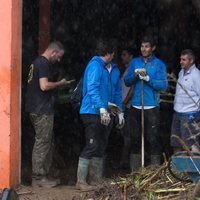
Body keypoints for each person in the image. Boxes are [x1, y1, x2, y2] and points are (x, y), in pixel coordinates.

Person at [76, 40, 125, 191]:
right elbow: (92, 89)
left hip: (107, 112)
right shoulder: (95, 66)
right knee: (92, 145)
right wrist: (101, 108)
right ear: (111, 54)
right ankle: (81, 182)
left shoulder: (114, 70)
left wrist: (120, 111)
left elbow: (117, 92)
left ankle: (96, 180)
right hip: (91, 112)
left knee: (101, 145)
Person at [25, 41, 72, 187]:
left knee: (46, 141)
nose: (58, 60)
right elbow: (44, 86)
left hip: (35, 108)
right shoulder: (43, 63)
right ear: (53, 52)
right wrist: (60, 83)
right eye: (58, 56)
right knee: (42, 143)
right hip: (41, 110)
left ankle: (44, 174)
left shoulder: (36, 63)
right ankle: (38, 178)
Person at [124, 36, 168, 171]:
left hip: (151, 106)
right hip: (136, 105)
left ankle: (154, 171)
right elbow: (126, 81)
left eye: (147, 46)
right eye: (142, 46)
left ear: (153, 48)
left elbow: (163, 85)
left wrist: (148, 79)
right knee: (135, 139)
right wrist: (135, 76)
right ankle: (135, 172)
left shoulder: (159, 64)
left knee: (153, 139)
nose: (144, 49)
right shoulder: (135, 62)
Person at [171, 49, 200, 153]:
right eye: (180, 59)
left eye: (184, 59)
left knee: (190, 146)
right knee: (176, 142)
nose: (181, 62)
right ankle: (178, 168)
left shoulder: (196, 75)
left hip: (190, 115)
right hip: (178, 113)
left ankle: (192, 169)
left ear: (191, 61)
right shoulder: (181, 72)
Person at [117, 47, 134, 169]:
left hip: (127, 107)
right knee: (125, 135)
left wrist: (124, 102)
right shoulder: (126, 69)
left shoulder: (132, 70)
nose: (122, 57)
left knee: (127, 136)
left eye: (124, 54)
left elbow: (132, 89)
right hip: (124, 106)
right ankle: (125, 161)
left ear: (131, 55)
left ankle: (125, 162)